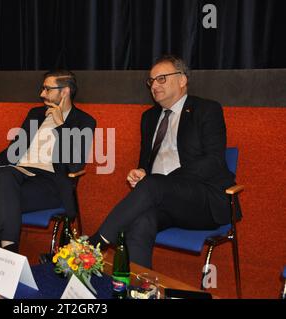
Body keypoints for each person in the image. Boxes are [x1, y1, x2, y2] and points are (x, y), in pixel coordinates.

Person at [89, 55, 239, 269]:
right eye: (151, 81)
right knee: (141, 222)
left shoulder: (206, 109)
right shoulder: (149, 117)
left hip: (203, 199)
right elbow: (145, 162)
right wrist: (141, 172)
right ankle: (139, 289)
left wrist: (162, 182)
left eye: (162, 79)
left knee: (153, 184)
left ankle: (94, 244)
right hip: (163, 200)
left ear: (182, 80)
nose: (154, 85)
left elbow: (214, 161)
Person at [0, 70, 96, 271]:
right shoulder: (35, 114)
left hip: (51, 186)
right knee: (2, 178)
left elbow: (75, 165)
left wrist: (60, 125)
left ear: (64, 91)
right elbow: (14, 150)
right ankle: (6, 257)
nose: (42, 93)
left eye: (47, 89)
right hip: (20, 179)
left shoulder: (83, 121)